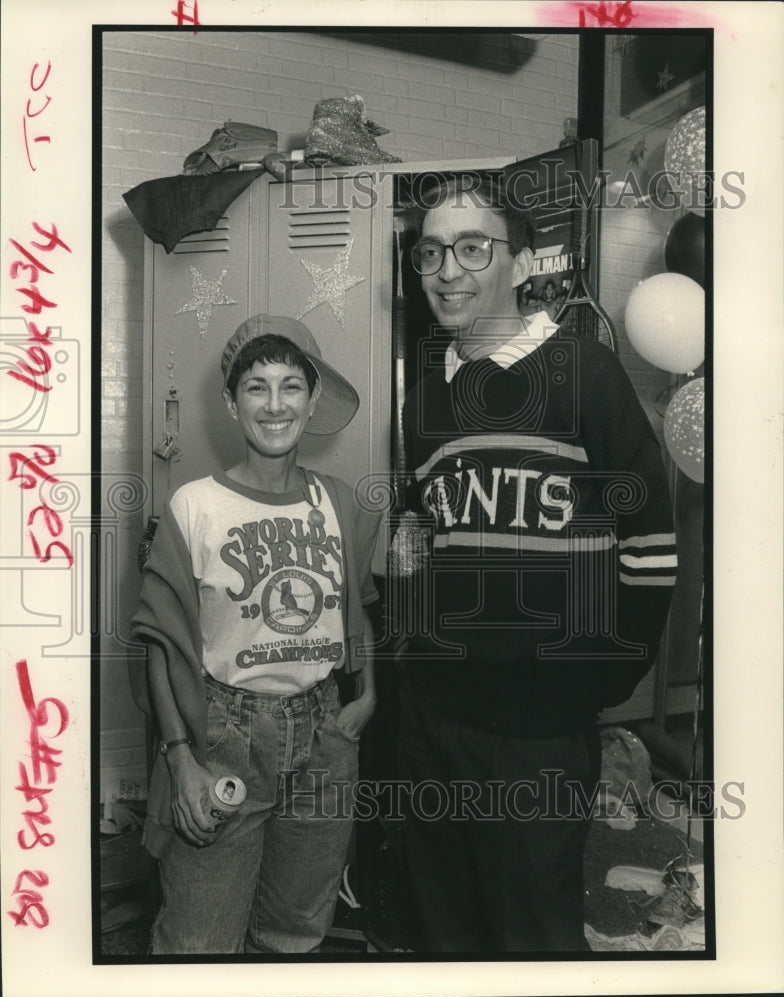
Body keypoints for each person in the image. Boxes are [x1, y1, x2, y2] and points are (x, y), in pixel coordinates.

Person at [396, 174, 678, 953]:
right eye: (430, 252)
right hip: (432, 719)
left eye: (472, 247)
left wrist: (600, 677)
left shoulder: (585, 370)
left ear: (520, 264)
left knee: (533, 941)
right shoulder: (425, 395)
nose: (447, 269)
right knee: (445, 930)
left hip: (539, 728)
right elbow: (419, 536)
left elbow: (650, 549)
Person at [129, 315, 381, 954]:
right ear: (231, 403)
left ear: (313, 399)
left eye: (291, 386)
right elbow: (163, 640)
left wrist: (368, 692)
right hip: (225, 736)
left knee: (295, 931)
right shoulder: (195, 505)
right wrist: (180, 756)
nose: (275, 405)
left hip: (325, 736)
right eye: (257, 387)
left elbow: (359, 608)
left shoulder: (342, 504)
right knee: (199, 941)